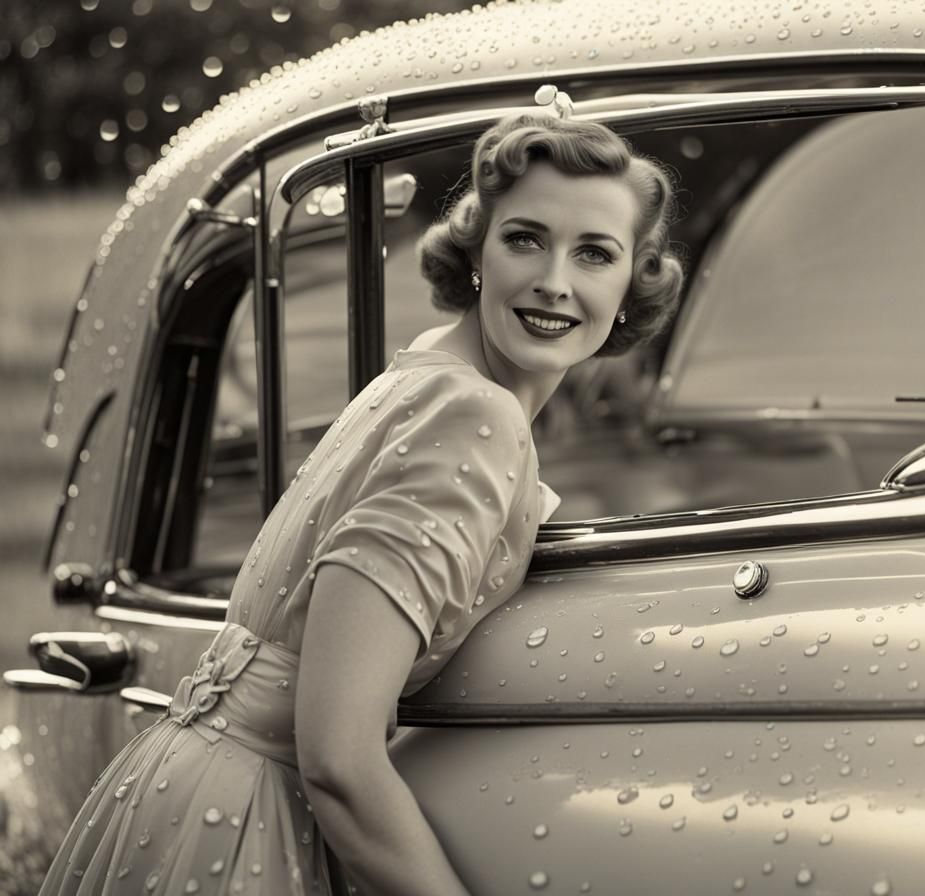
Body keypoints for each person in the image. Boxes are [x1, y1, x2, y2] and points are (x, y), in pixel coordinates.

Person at [38, 111, 683, 896]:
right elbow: (339, 761)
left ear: (630, 284)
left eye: (594, 253)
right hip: (245, 821)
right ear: (477, 251)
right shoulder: (474, 416)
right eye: (525, 238)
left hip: (184, 788)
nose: (554, 279)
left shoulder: (414, 377)